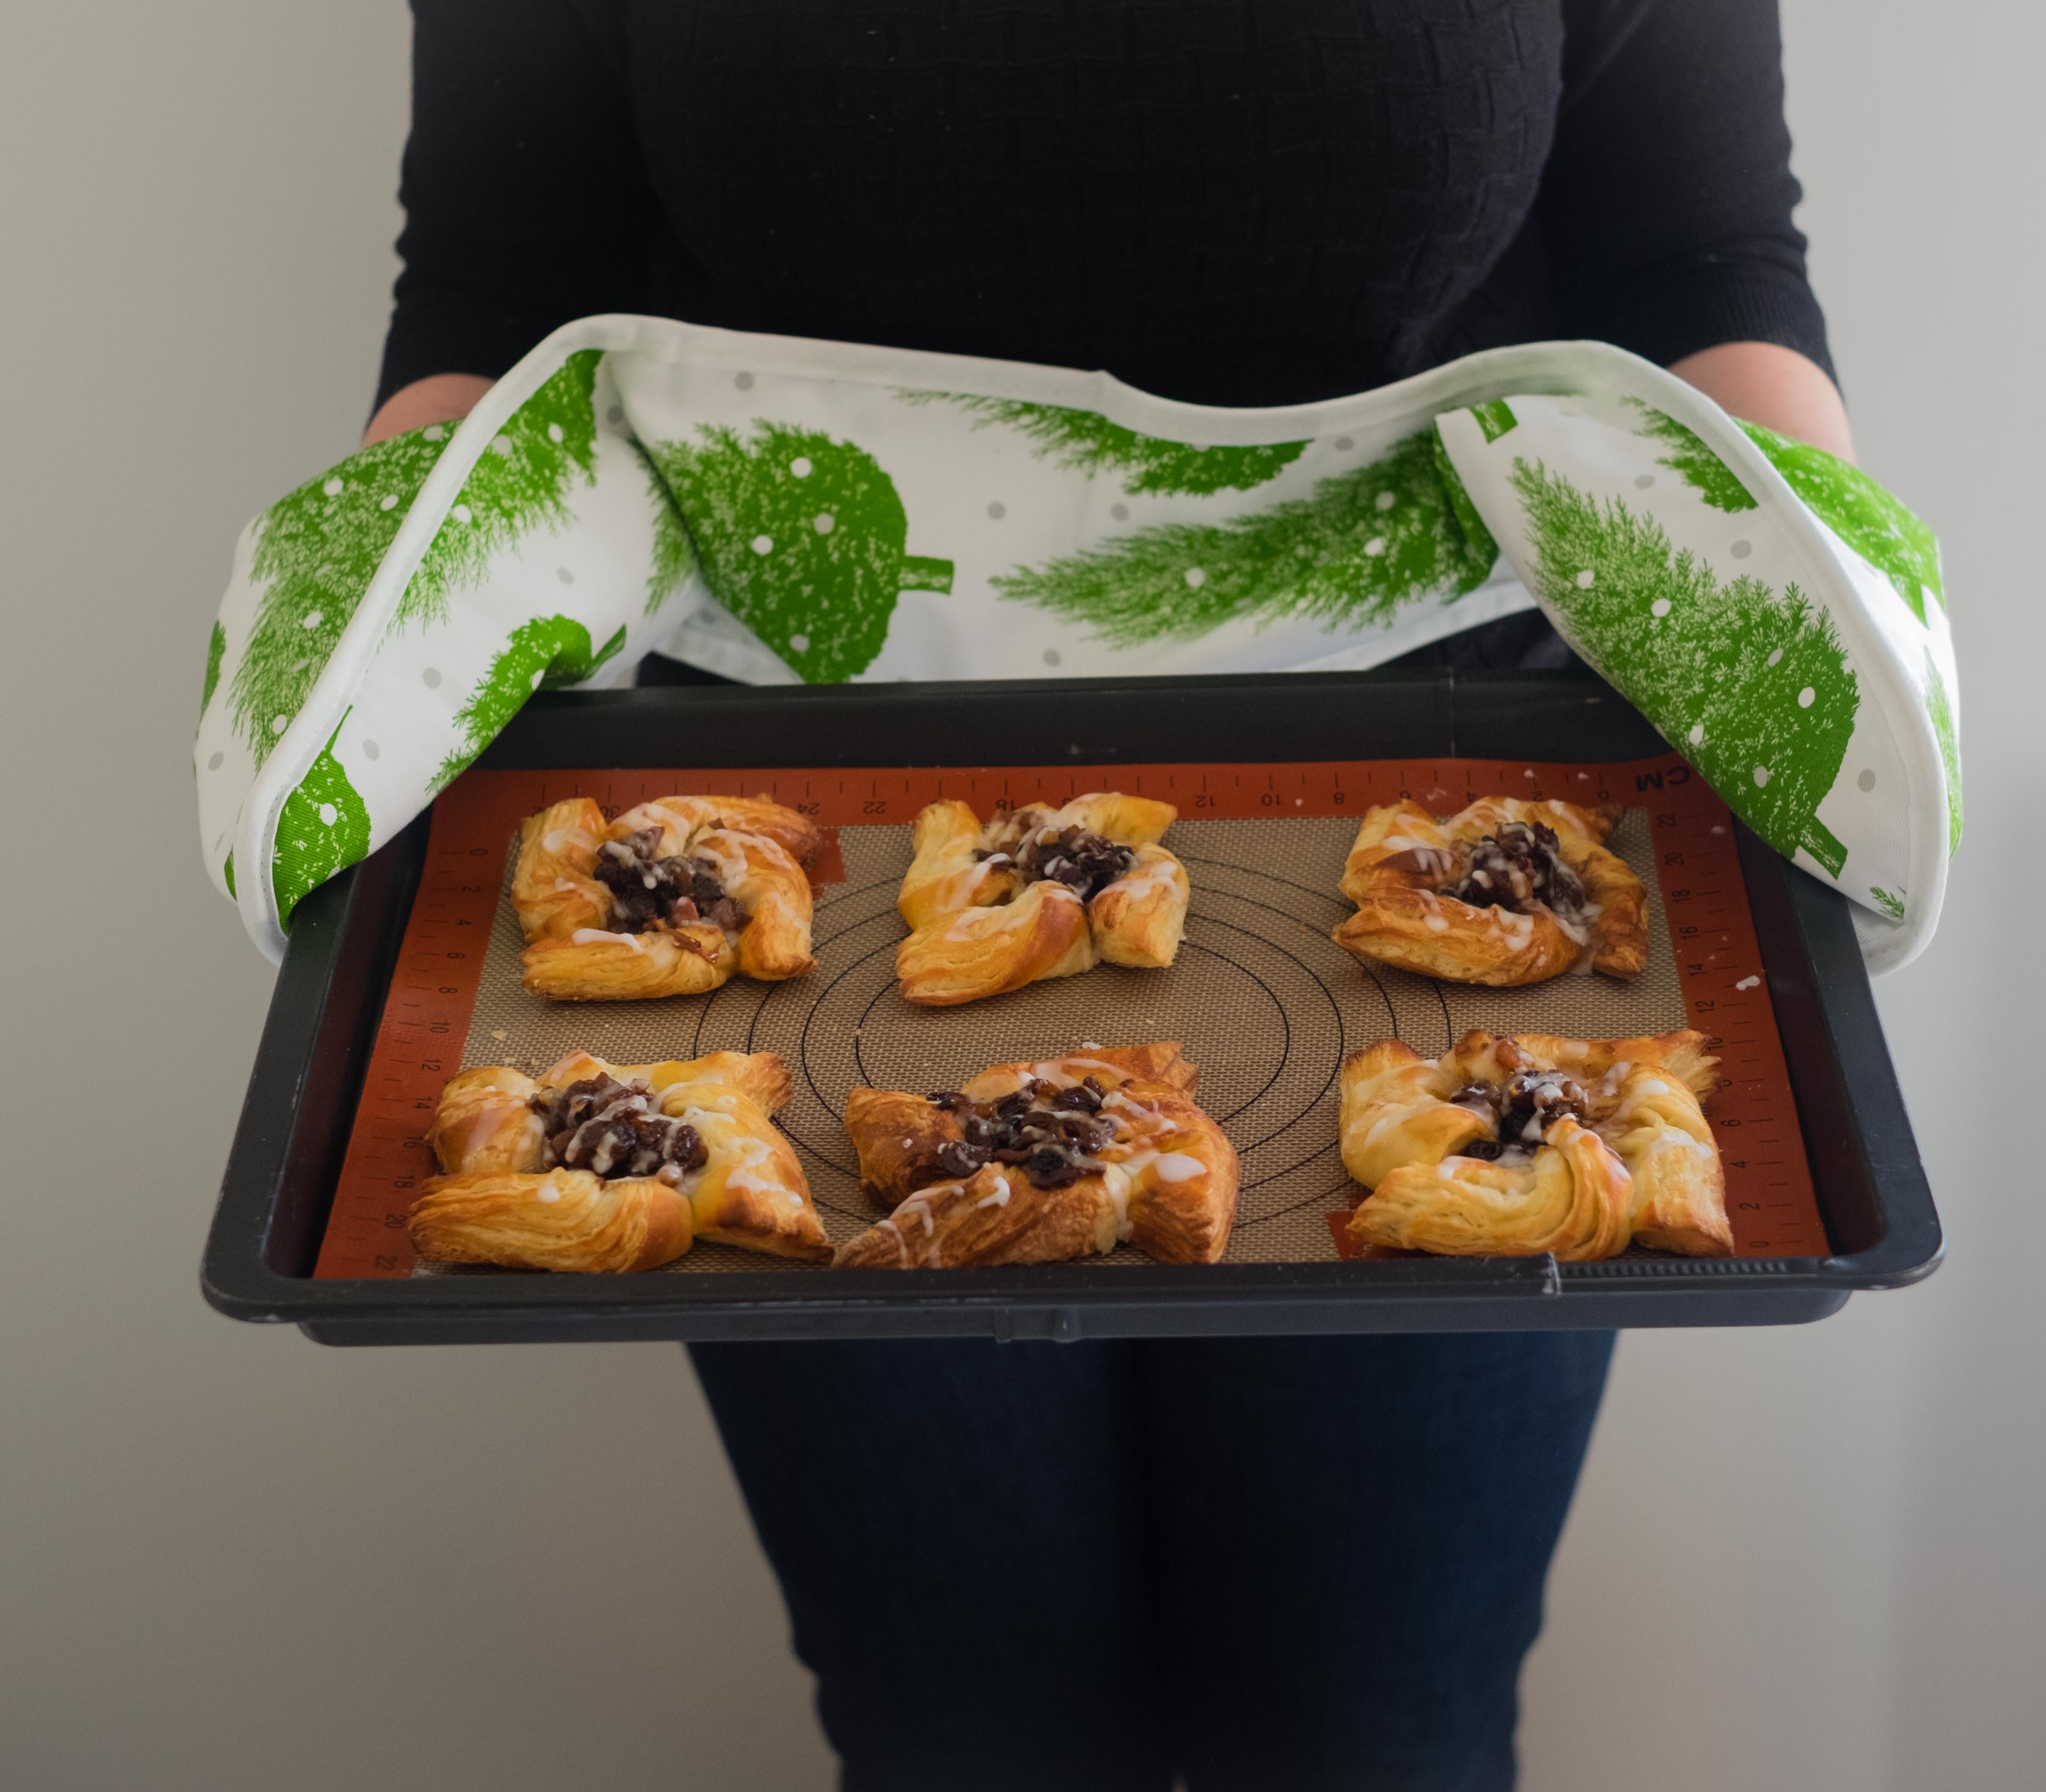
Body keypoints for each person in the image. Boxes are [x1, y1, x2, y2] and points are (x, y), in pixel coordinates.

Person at [365, 5, 1850, 1786]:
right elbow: (500, 291)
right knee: (966, 1738)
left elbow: (1696, 258)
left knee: (1378, 1733)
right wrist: (358, 699)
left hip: (1473, 803)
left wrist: (1850, 690)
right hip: (800, 837)